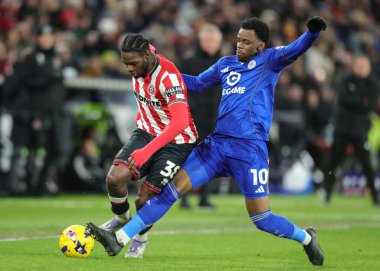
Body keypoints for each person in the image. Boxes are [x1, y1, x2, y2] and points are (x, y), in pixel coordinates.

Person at [87, 16, 326, 265]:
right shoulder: (225, 65)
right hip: (217, 146)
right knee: (170, 191)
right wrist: (164, 73)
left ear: (260, 46)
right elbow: (198, 84)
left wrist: (312, 33)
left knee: (262, 219)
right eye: (238, 40)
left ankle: (306, 238)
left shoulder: (270, 61)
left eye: (247, 42)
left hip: (249, 149)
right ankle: (120, 238)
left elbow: (295, 49)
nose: (240, 45)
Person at [94, 34, 198, 258]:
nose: (129, 69)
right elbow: (140, 41)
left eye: (133, 64)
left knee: (144, 198)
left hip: (177, 140)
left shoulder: (168, 77)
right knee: (114, 179)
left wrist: (146, 152)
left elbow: (179, 122)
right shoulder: (141, 53)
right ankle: (122, 218)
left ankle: (140, 237)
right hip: (146, 131)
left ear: (148, 56)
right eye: (125, 64)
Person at [5, 25, 68, 196]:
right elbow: (21, 84)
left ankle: (40, 186)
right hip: (31, 112)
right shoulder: (30, 58)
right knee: (25, 151)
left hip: (52, 113)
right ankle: (17, 187)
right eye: (43, 36)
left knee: (48, 152)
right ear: (38, 38)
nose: (46, 40)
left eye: (49, 36)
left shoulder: (56, 58)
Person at [323, 55, 379, 205]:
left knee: (367, 164)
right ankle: (327, 194)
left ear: (369, 68)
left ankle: (375, 197)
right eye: (358, 65)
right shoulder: (344, 80)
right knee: (333, 162)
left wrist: (355, 100)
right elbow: (344, 98)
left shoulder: (373, 85)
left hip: (360, 130)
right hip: (342, 128)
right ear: (353, 66)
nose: (361, 69)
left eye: (364, 66)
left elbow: (370, 106)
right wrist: (360, 100)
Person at [179, 23, 223, 209]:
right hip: (192, 118)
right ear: (200, 41)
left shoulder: (224, 63)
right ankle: (183, 198)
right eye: (208, 40)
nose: (211, 44)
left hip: (214, 119)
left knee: (209, 159)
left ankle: (204, 197)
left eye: (214, 40)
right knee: (187, 158)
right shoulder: (189, 62)